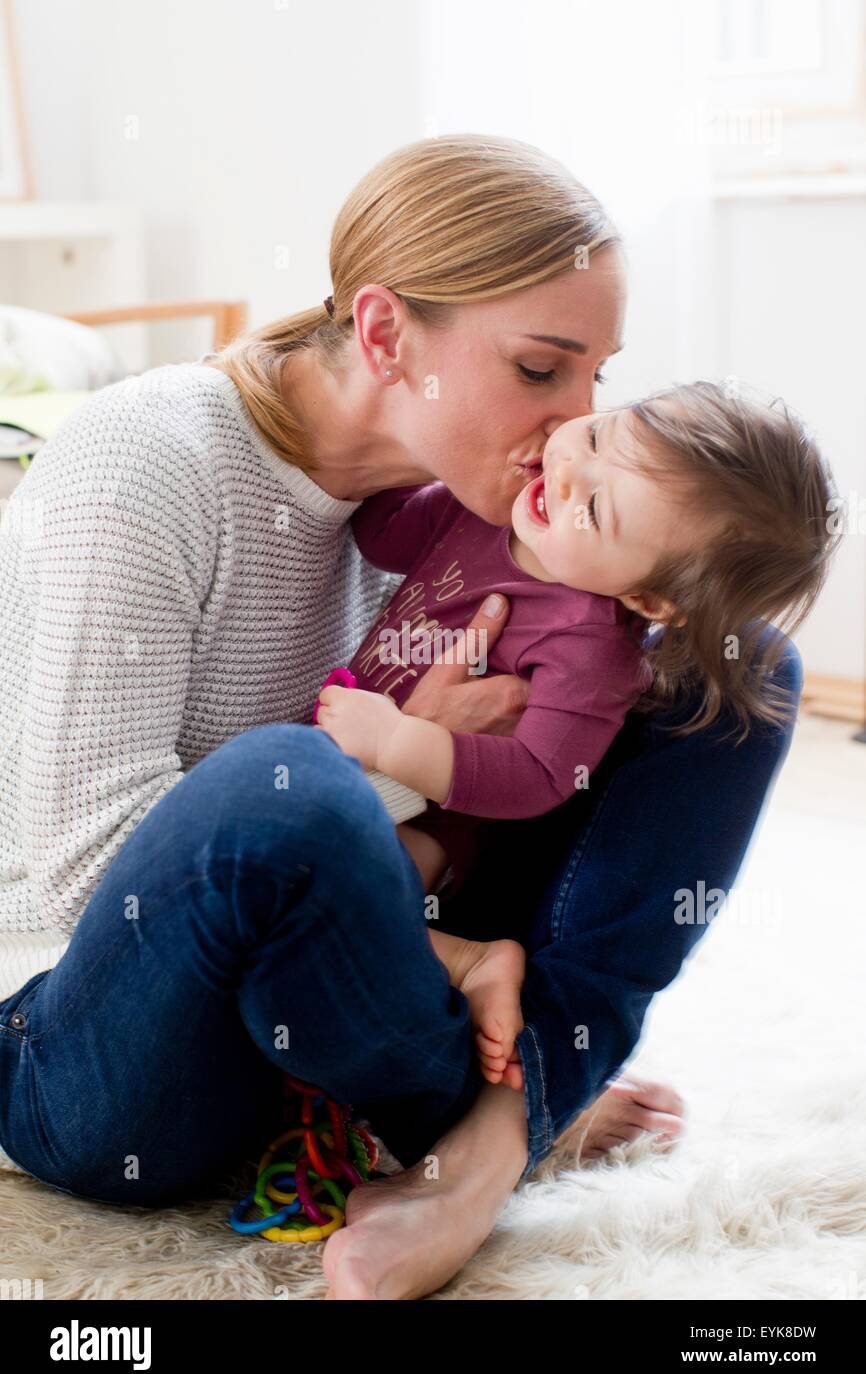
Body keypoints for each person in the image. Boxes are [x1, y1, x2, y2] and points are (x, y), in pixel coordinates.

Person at [0, 134, 801, 1300]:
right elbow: (83, 871)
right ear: (382, 336)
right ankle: (499, 1105)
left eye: (595, 377)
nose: (571, 420)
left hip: (321, 1017)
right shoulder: (146, 463)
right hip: (87, 1046)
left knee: (735, 670)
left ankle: (484, 1142)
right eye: (539, 369)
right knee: (294, 780)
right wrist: (392, 793)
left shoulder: (479, 515)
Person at [317, 383, 837, 1090]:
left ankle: (469, 972)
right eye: (596, 438)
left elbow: (539, 774)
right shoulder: (489, 509)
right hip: (342, 756)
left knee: (327, 893)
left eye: (593, 509)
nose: (564, 477)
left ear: (648, 600)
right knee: (284, 872)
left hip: (433, 829)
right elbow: (383, 534)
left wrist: (400, 746)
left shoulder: (590, 649)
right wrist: (405, 437)